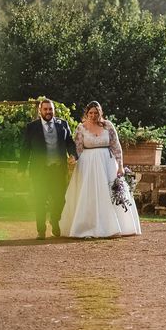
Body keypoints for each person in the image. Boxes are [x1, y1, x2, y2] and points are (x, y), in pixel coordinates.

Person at [59, 101, 141, 238]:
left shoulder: (108, 126)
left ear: (100, 113)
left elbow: (116, 146)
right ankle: (86, 226)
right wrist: (73, 158)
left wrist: (120, 165)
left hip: (107, 163)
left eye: (96, 113)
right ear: (86, 113)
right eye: (90, 113)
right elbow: (78, 147)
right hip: (87, 164)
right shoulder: (81, 127)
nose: (93, 115)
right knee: (88, 194)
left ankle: (115, 226)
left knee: (109, 193)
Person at [18, 98, 78, 239]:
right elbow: (25, 149)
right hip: (39, 171)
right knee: (40, 200)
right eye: (45, 109)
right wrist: (21, 169)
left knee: (60, 199)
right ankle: (41, 230)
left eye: (50, 109)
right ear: (40, 111)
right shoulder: (32, 127)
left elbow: (70, 142)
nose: (48, 112)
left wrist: (73, 155)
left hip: (58, 169)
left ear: (54, 110)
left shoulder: (62, 124)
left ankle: (54, 220)